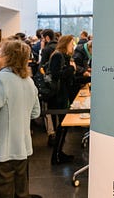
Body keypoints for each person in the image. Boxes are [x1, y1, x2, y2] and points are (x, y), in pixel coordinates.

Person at [0, 40, 41, 198]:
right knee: (21, 194)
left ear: (8, 56)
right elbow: (35, 112)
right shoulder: (28, 81)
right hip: (21, 150)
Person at [49, 35, 77, 165]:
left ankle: (59, 153)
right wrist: (71, 68)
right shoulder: (57, 56)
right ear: (66, 44)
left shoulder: (62, 56)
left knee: (63, 127)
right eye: (71, 44)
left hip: (62, 95)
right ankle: (56, 156)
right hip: (58, 96)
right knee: (61, 127)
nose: (73, 46)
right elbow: (56, 75)